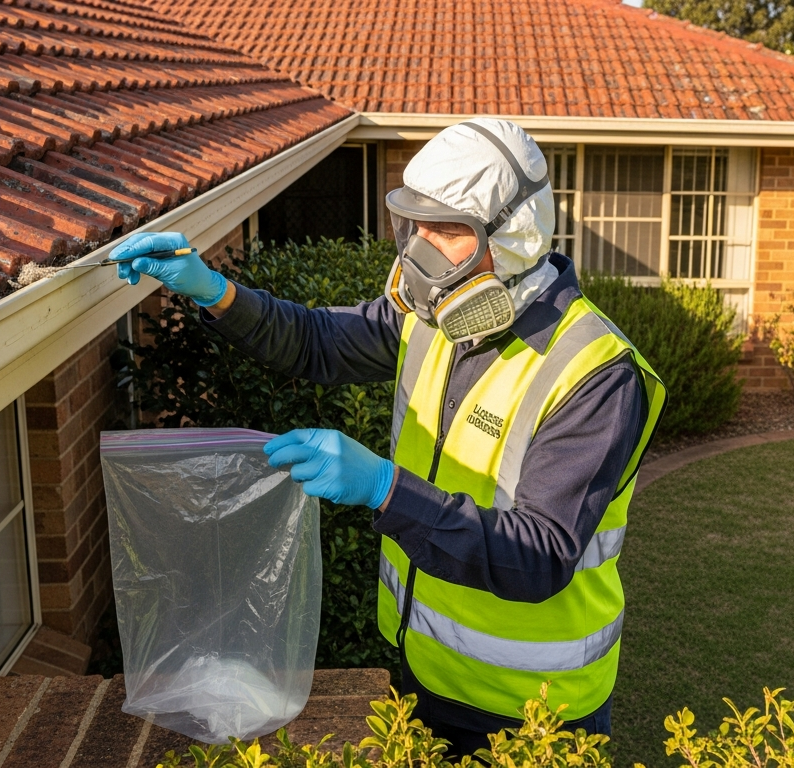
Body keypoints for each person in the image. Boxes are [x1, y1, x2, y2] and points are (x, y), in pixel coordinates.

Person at [109, 119, 665, 755]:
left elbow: (537, 556)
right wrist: (215, 291)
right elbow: (318, 341)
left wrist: (384, 488)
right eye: (416, 226)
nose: (420, 253)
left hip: (535, 711)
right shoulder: (433, 320)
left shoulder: (595, 374)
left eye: (448, 231)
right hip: (423, 673)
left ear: (514, 237)